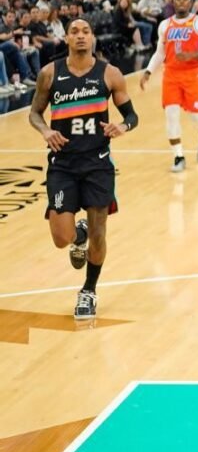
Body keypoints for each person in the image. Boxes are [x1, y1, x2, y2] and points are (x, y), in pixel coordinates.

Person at [28, 18, 138, 319]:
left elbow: (131, 115)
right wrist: (45, 130)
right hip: (62, 165)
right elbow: (35, 113)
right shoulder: (50, 73)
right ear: (66, 38)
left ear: (92, 38)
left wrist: (123, 126)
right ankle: (79, 234)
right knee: (60, 238)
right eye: (74, 32)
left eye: (85, 32)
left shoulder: (110, 74)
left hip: (97, 164)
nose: (80, 36)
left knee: (99, 234)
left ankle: (88, 290)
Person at [136, 0, 198, 172]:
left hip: (192, 75)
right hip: (171, 75)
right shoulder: (165, 25)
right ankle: (178, 157)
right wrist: (148, 71)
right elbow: (160, 53)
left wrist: (190, 55)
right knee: (171, 116)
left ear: (190, 3)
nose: (181, 2)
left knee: (196, 117)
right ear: (173, 3)